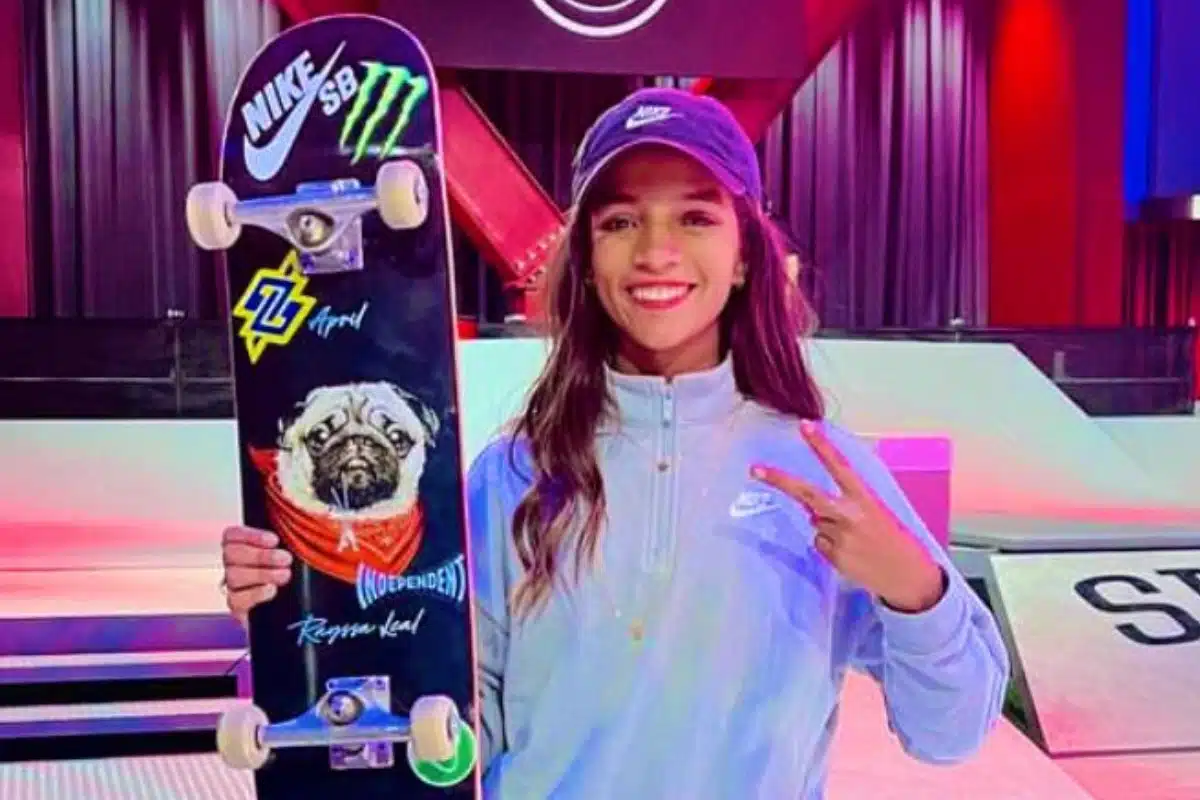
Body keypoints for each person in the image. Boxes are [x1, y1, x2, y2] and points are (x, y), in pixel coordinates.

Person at [220, 86, 1010, 797]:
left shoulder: (824, 471)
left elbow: (948, 736)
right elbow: (454, 742)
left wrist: (918, 593)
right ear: (589, 261)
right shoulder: (514, 475)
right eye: (621, 222)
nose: (656, 251)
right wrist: (309, 615)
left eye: (696, 217)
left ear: (743, 256)